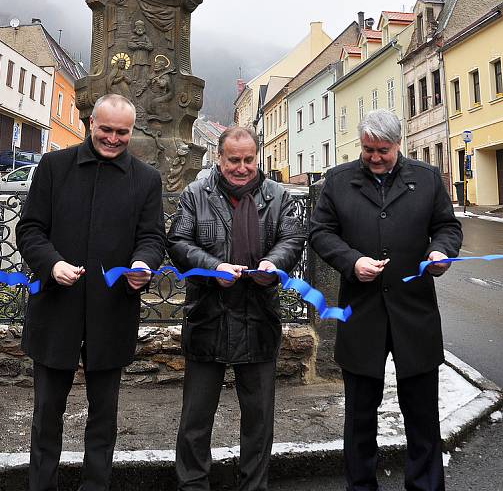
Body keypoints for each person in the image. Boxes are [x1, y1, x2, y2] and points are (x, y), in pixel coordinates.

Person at [16, 94, 165, 491]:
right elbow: (30, 230)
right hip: (56, 307)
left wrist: (142, 265)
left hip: (112, 311)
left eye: (122, 132)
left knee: (104, 415)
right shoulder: (53, 167)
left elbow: (152, 237)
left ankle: (95, 486)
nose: (113, 139)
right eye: (106, 130)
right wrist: (52, 264)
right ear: (90, 124)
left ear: (132, 131)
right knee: (47, 413)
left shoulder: (147, 179)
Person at [309, 109, 462, 491]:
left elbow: (447, 226)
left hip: (414, 313)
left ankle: (425, 486)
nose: (375, 158)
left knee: (422, 414)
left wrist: (441, 253)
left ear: (399, 145)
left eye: (383, 151)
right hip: (361, 313)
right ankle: (361, 486)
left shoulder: (426, 179)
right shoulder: (339, 181)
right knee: (360, 416)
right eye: (367, 150)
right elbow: (321, 232)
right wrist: (351, 261)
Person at [167, 126, 306, 491]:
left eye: (249, 160)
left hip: (259, 317)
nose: (242, 167)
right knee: (196, 419)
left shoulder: (278, 196)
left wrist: (274, 263)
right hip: (208, 317)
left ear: (257, 157)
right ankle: (193, 485)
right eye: (234, 160)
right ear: (219, 157)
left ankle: (253, 486)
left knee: (259, 421)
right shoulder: (196, 194)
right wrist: (213, 269)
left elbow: (293, 237)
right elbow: (178, 243)